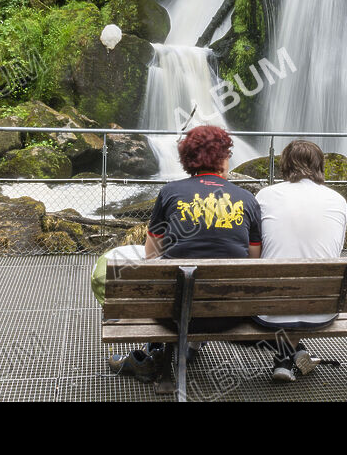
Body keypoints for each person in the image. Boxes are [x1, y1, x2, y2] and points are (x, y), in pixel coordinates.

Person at [108, 125, 263, 381]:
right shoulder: (247, 199)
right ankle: (190, 346)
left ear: (188, 158)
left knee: (128, 262)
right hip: (231, 314)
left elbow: (151, 256)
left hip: (174, 316)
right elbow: (254, 262)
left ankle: (155, 357)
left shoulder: (170, 192)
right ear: (223, 158)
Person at [253, 140, 347, 382]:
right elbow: (336, 249)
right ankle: (294, 354)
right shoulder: (338, 200)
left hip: (269, 310)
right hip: (322, 309)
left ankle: (285, 358)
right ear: (319, 166)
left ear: (284, 165)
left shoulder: (265, 196)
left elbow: (256, 250)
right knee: (296, 299)